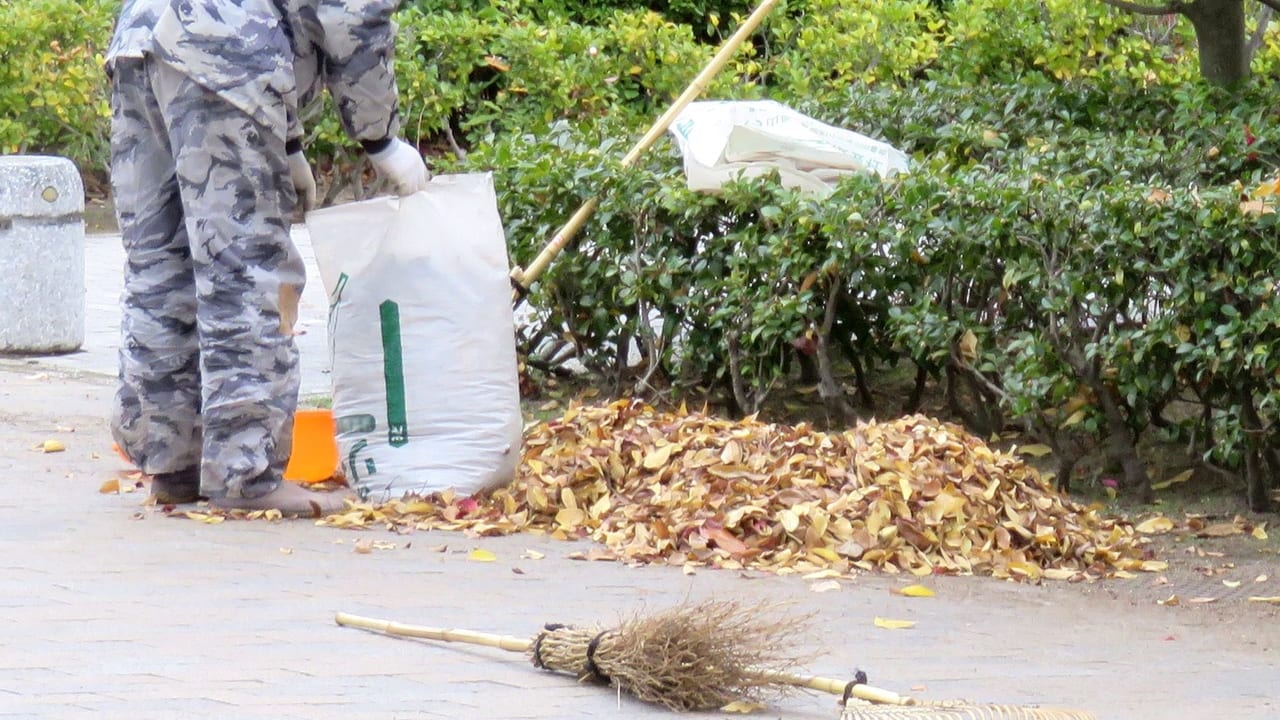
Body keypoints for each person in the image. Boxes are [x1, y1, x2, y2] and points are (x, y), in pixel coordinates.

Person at [105, 0, 430, 515]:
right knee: (245, 269)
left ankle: (173, 461)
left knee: (162, 265)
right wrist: (382, 138)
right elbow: (353, 15)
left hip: (139, 43)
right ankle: (243, 474)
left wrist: (291, 142)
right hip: (225, 50)